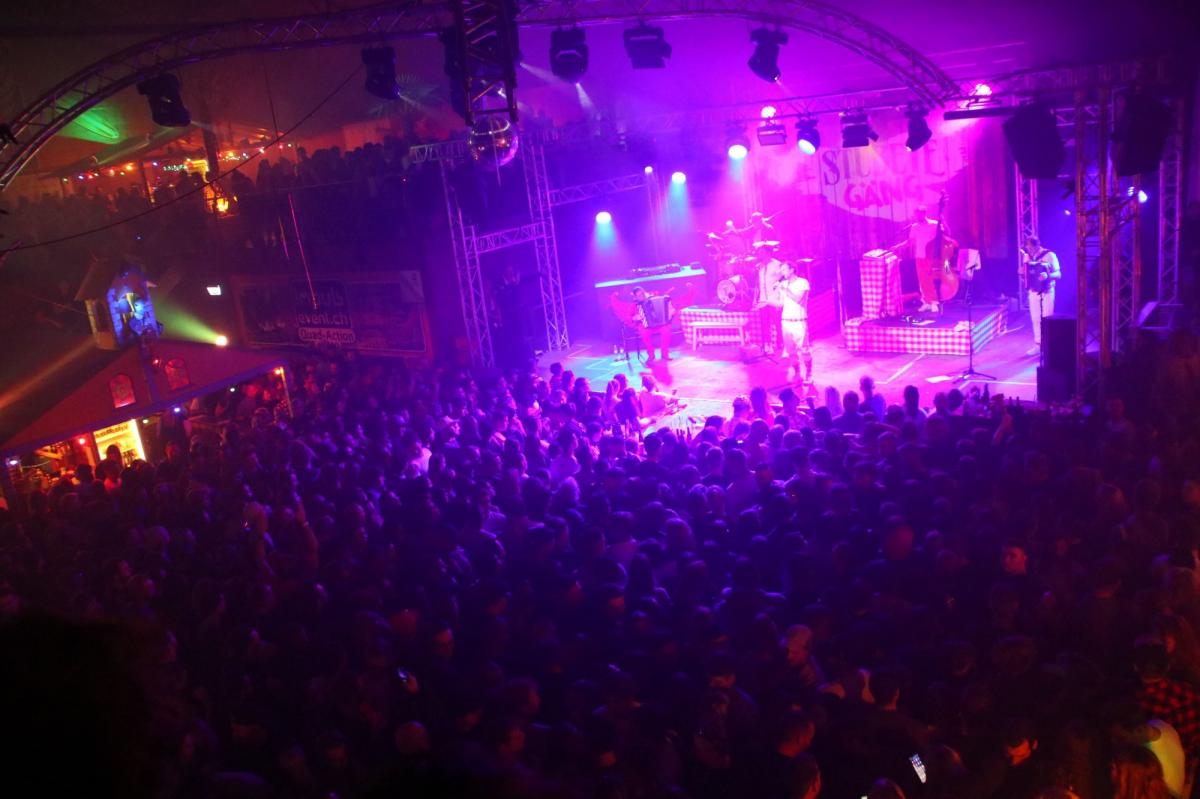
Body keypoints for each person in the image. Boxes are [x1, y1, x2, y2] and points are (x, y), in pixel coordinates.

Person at [903, 205, 951, 314]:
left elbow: (947, 233)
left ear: (923, 213)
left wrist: (943, 222)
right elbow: (910, 242)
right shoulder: (914, 227)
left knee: (931, 279)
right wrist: (898, 247)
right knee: (922, 280)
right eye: (915, 214)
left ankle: (934, 302)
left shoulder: (934, 224)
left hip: (931, 256)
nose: (917, 216)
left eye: (918, 214)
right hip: (919, 256)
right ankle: (926, 302)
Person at [1022, 235, 1061, 357]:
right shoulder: (1026, 257)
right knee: (1035, 319)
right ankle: (1038, 345)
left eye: (1032, 248)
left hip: (1047, 291)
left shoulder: (1050, 255)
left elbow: (1058, 274)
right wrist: (1022, 272)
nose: (1030, 251)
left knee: (1047, 318)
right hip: (1033, 291)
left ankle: (1048, 346)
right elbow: (1027, 273)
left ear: (1038, 245)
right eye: (1028, 248)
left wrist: (1047, 276)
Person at [778, 261, 811, 385]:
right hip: (785, 321)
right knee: (791, 351)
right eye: (781, 270)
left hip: (799, 321)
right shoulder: (783, 284)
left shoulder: (802, 282)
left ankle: (809, 373)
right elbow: (781, 303)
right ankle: (797, 373)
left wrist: (784, 289)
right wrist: (766, 302)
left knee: (804, 350)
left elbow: (798, 299)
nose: (782, 272)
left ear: (792, 270)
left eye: (784, 269)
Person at [756, 247, 785, 356]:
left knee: (777, 322)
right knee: (765, 323)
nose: (759, 255)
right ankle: (768, 345)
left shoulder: (777, 264)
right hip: (763, 299)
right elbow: (759, 283)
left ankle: (780, 343)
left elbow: (784, 278)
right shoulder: (760, 266)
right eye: (759, 253)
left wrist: (779, 291)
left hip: (774, 299)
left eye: (761, 252)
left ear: (768, 253)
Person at [632, 286, 673, 362]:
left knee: (666, 330)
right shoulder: (635, 305)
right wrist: (635, 317)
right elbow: (630, 317)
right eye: (639, 295)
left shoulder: (652, 298)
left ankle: (665, 354)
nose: (642, 296)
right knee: (644, 333)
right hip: (645, 326)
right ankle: (651, 355)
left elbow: (668, 308)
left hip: (659, 324)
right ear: (635, 297)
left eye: (642, 294)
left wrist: (670, 310)